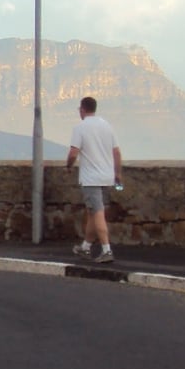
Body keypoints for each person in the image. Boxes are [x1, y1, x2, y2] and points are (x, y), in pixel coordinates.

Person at [65, 96, 123, 263]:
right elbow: (117, 153)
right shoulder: (107, 126)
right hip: (107, 177)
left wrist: (68, 166)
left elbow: (73, 153)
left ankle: (107, 250)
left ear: (82, 109)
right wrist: (117, 174)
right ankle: (85, 247)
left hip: (91, 178)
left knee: (98, 213)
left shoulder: (80, 128)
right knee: (93, 212)